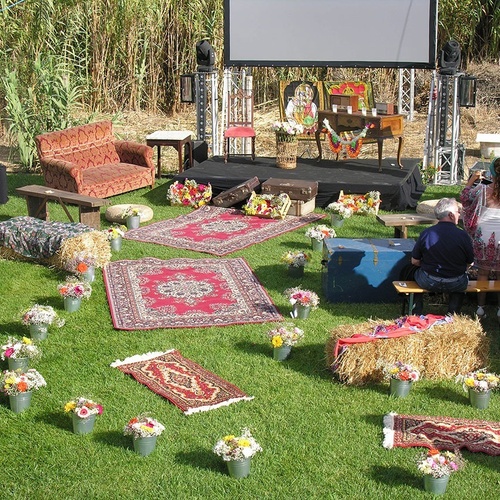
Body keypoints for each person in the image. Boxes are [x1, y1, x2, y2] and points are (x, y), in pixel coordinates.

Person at [410, 197, 474, 315]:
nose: (459, 214)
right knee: (462, 281)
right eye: (457, 212)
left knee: (412, 275)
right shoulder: (463, 235)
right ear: (450, 215)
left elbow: (414, 261)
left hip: (429, 280)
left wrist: (425, 265)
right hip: (456, 281)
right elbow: (470, 261)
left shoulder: (426, 233)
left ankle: (416, 311)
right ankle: (453, 313)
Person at [460, 157, 500, 319]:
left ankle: (480, 308)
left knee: (482, 272)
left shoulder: (483, 190)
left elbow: (465, 198)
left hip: (483, 238)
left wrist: (472, 180)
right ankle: (499, 309)